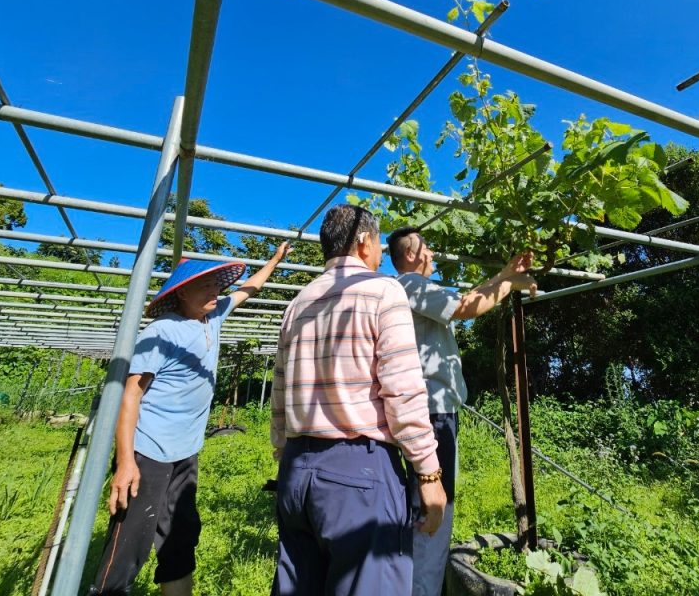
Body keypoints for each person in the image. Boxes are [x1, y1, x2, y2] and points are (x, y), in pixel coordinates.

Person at [88, 242, 292, 596]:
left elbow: (248, 288)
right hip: (148, 452)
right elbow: (131, 395)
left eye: (217, 284)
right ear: (182, 291)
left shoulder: (212, 317)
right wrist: (124, 462)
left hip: (186, 451)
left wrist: (274, 260)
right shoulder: (161, 332)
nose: (216, 291)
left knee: (181, 538)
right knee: (128, 545)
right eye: (206, 285)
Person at [271, 204, 447, 596]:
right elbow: (402, 390)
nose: (382, 253)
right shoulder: (383, 290)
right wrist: (429, 475)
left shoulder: (297, 303)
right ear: (364, 241)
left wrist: (286, 452)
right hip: (357, 475)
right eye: (380, 243)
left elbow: (280, 395)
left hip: (296, 472)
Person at [386, 227, 537, 596]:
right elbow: (467, 307)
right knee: (435, 510)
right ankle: (422, 588)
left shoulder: (409, 290)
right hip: (432, 414)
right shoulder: (409, 284)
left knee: (422, 506)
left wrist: (504, 273)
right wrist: (511, 284)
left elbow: (465, 298)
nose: (433, 253)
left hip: (431, 412)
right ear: (410, 255)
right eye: (427, 247)